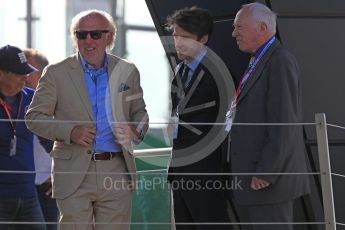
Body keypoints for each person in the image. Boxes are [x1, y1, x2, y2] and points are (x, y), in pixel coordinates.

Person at [25, 9, 148, 230]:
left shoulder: (128, 71)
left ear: (109, 37)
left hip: (117, 169)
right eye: (81, 35)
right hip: (72, 170)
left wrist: (135, 130)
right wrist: (70, 131)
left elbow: (140, 113)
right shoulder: (56, 73)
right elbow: (34, 117)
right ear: (75, 38)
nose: (88, 41)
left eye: (95, 35)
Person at [228, 3, 310, 230]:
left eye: (239, 27)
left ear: (262, 28)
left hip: (266, 182)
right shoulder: (258, 59)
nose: (234, 33)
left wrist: (266, 171)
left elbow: (284, 121)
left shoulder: (280, 60)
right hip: (251, 182)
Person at [166, 6, 230, 230]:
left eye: (185, 37)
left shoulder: (220, 72)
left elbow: (227, 125)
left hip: (208, 172)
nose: (178, 42)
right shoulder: (180, 69)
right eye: (175, 36)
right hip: (181, 169)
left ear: (203, 39)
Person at [0, 44, 46, 229]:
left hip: (28, 196)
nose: (26, 78)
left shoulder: (33, 99)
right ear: (1, 74)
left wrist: (62, 171)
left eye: (26, 72)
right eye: (20, 73)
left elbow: (49, 138)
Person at [24, 48, 59, 230]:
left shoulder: (58, 104)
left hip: (48, 187)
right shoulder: (10, 104)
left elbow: (65, 145)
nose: (24, 74)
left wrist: (62, 177)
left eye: (30, 69)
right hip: (19, 188)